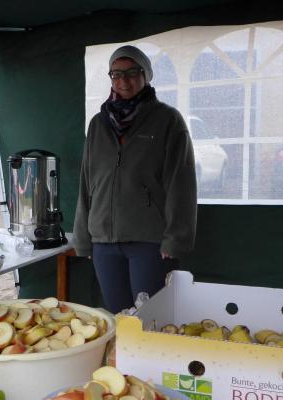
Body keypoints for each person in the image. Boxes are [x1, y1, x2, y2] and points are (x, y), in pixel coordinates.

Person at [73, 45, 198, 313]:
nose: (124, 81)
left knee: (150, 317)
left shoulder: (167, 120)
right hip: (103, 243)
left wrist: (175, 238)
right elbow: (87, 182)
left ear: (146, 75)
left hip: (150, 242)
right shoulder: (98, 124)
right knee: (117, 317)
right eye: (116, 74)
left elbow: (181, 184)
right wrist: (83, 238)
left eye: (132, 72)